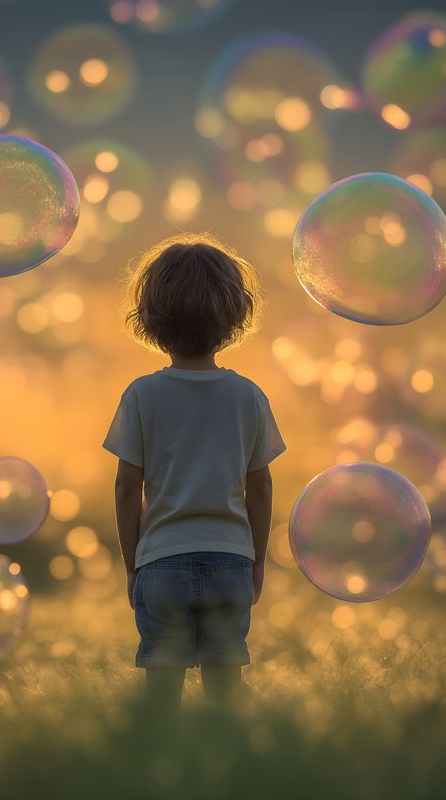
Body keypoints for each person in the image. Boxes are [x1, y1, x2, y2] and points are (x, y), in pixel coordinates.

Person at [103, 233, 286, 712]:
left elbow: (126, 487)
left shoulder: (141, 395)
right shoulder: (248, 396)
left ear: (150, 317)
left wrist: (132, 563)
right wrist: (256, 561)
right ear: (235, 315)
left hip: (161, 563)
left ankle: (161, 751)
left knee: (161, 688)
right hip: (230, 561)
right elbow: (260, 487)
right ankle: (225, 751)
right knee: (225, 687)